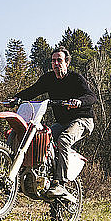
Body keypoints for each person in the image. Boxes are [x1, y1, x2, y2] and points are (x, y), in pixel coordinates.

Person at [11, 46, 97, 197]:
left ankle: (61, 184)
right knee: (42, 138)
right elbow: (33, 90)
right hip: (63, 122)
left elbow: (91, 97)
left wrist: (78, 102)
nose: (56, 63)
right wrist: (16, 99)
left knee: (64, 140)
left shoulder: (75, 79)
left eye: (59, 60)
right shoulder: (48, 79)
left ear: (67, 62)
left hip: (82, 119)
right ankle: (40, 175)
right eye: (53, 61)